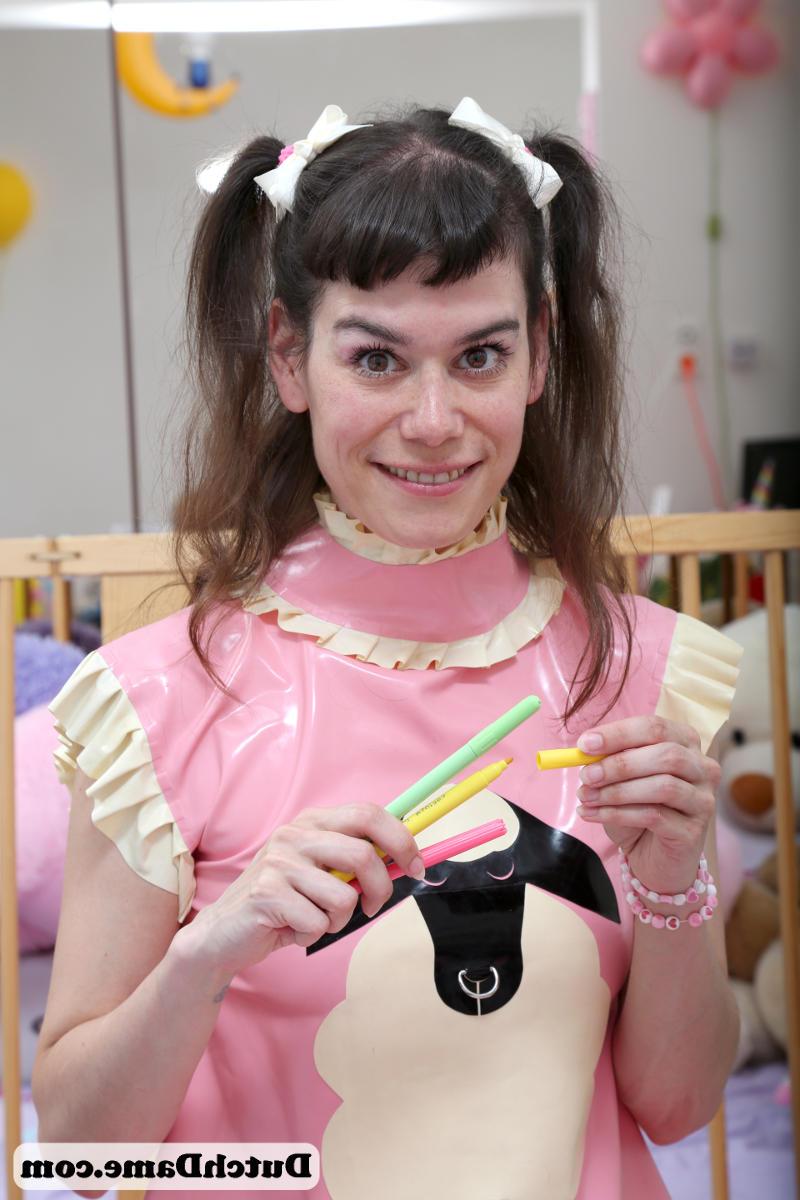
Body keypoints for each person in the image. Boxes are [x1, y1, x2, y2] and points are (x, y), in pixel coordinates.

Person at [33, 97, 743, 1200]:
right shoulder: (158, 703)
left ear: (539, 354)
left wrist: (669, 886)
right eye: (376, 359)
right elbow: (83, 1157)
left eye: (479, 356)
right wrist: (207, 954)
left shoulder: (648, 678)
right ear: (289, 357)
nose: (433, 420)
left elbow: (677, 1105)